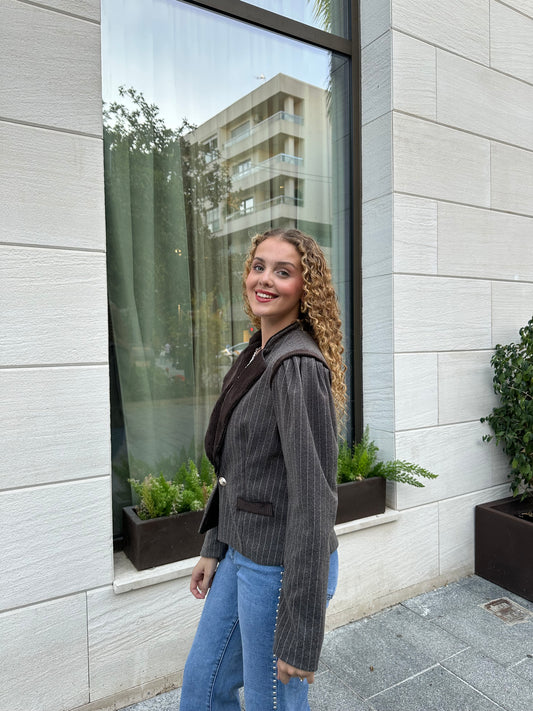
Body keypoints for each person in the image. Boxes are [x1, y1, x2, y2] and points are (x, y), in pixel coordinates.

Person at [180, 227, 346, 711]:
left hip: (279, 569)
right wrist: (214, 546)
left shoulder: (296, 365)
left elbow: (314, 502)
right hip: (240, 551)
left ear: (305, 288)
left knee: (270, 703)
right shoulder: (257, 352)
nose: (265, 279)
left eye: (283, 271)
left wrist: (300, 631)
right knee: (203, 685)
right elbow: (236, 469)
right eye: (259, 267)